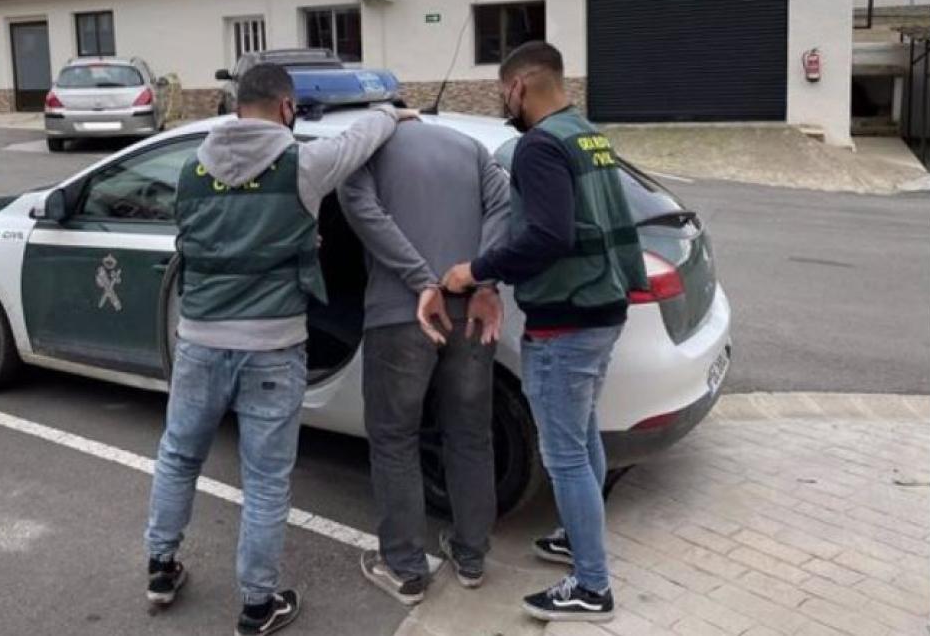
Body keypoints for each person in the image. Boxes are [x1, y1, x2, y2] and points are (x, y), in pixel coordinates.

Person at [144, 63, 415, 636]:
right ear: (288, 108)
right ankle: (257, 605)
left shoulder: (191, 169)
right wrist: (392, 112)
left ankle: (161, 569)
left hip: (198, 341)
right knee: (265, 481)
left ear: (238, 106)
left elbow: (195, 238)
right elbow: (359, 138)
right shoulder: (304, 165)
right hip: (273, 347)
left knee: (178, 456)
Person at [442, 41, 648, 624]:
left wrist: (475, 271)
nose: (505, 100)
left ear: (521, 85)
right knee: (581, 436)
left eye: (504, 90)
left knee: (562, 455)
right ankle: (574, 540)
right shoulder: (588, 133)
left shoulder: (538, 147)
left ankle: (591, 586)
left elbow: (550, 236)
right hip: (601, 310)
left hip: (566, 320)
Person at [337, 121, 510, 605]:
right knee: (471, 434)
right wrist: (482, 282)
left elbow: (359, 207)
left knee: (394, 439)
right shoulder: (470, 146)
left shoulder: (367, 148)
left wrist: (421, 281)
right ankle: (472, 557)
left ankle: (406, 568)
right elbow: (504, 206)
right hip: (471, 314)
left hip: (401, 317)